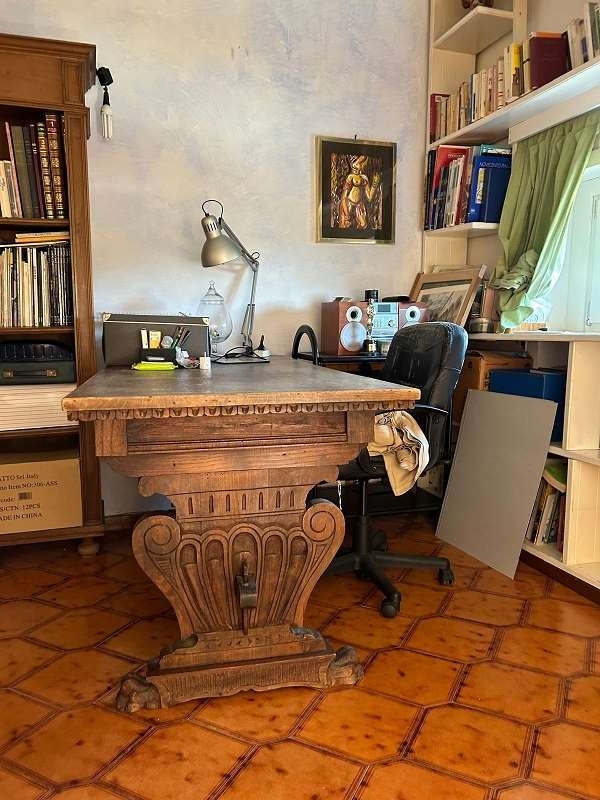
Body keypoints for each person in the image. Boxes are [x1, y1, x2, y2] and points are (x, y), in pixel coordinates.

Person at [338, 154, 382, 230]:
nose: (354, 166)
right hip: (348, 203)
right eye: (353, 163)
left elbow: (369, 197)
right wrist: (346, 213)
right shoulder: (350, 177)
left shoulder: (364, 178)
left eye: (358, 163)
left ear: (362, 165)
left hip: (359, 205)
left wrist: (374, 184)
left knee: (363, 225)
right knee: (344, 226)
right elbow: (343, 197)